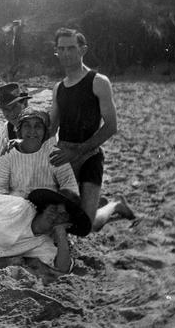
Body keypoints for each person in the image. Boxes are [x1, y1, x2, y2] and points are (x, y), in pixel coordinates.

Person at [50, 27, 134, 232]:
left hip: (90, 155)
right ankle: (92, 201)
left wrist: (79, 151)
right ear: (56, 52)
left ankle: (114, 204)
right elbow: (51, 129)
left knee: (85, 227)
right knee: (57, 217)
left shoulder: (98, 82)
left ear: (82, 50)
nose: (66, 53)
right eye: (61, 49)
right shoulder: (58, 88)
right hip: (63, 157)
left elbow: (111, 126)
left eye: (71, 48)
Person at [0, 108, 77, 197]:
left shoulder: (55, 155)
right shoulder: (8, 154)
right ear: (19, 130)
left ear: (45, 131)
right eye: (27, 126)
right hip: (16, 206)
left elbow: (70, 187)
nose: (32, 131)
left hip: (47, 206)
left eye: (38, 126)